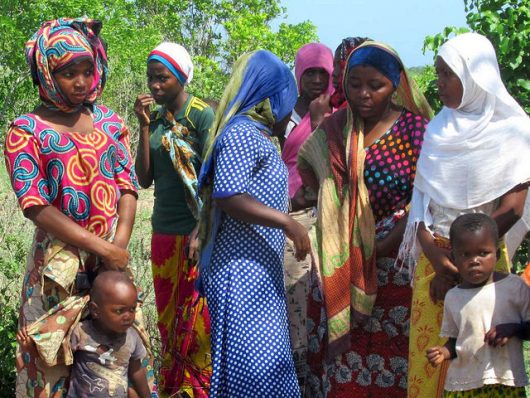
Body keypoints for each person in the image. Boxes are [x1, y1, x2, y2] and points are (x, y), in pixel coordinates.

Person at [3, 18, 154, 397]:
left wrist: (116, 248)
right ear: (48, 74)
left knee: (121, 355)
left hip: (111, 266)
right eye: (70, 73)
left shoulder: (108, 121)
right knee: (53, 362)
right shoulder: (26, 130)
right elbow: (35, 205)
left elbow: (127, 186)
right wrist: (102, 249)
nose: (82, 81)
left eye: (88, 71)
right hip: (59, 268)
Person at [298, 40, 432, 397]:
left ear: (395, 85)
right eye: (355, 84)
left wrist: (378, 249)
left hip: (394, 266)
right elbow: (312, 176)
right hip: (338, 261)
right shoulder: (336, 128)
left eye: (376, 85)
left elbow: (425, 200)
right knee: (342, 367)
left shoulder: (416, 132)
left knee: (391, 360)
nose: (364, 94)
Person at [400, 32, 530, 398]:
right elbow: (421, 206)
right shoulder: (437, 130)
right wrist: (436, 257)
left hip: (480, 264)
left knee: (483, 360)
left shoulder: (514, 130)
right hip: (436, 263)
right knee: (432, 365)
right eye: (438, 73)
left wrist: (462, 258)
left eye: (447, 74)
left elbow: (512, 208)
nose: (438, 83)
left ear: (475, 76)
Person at [197, 49, 311, 397]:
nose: (287, 112)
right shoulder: (241, 134)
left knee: (260, 371)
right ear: (269, 96)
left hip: (258, 271)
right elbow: (229, 196)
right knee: (254, 373)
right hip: (241, 273)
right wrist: (288, 224)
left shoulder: (256, 135)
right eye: (285, 101)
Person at [134, 42, 214, 397]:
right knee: (169, 319)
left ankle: (199, 390)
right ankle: (172, 388)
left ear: (181, 76)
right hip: (163, 233)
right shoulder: (157, 120)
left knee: (197, 324)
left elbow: (214, 176)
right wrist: (142, 126)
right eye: (151, 78)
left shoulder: (200, 116)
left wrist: (201, 228)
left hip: (197, 234)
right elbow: (144, 179)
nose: (155, 85)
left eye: (162, 78)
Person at [426, 213, 530, 397]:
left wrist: (513, 328)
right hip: (465, 385)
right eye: (466, 254)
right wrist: (443, 352)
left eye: (483, 253)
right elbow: (456, 341)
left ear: (497, 254)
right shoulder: (453, 297)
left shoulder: (515, 287)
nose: (475, 260)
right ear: (454, 258)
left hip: (506, 382)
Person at [279, 42, 333, 392]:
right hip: (282, 218)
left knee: (314, 298)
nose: (315, 79)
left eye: (322, 73)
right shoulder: (282, 110)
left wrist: (317, 122)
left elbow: (328, 166)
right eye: (309, 72)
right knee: (289, 300)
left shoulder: (338, 112)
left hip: (318, 216)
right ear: (298, 75)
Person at [68, 271, 149, 397]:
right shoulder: (81, 332)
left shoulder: (132, 337)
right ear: (95, 310)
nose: (128, 316)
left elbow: (136, 371)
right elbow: (62, 364)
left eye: (132, 309)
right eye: (119, 310)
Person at [329, 37, 370, 110]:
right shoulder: (334, 105)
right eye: (334, 65)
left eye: (341, 66)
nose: (334, 73)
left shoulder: (358, 110)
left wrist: (319, 120)